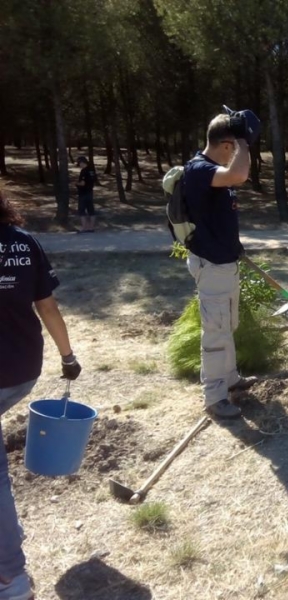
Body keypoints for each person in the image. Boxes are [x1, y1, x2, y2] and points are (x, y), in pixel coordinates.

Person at [0, 189, 82, 600]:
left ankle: (10, 579)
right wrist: (67, 356)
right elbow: (47, 307)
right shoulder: (22, 243)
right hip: (22, 371)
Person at [182, 109, 261, 419]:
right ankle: (215, 397)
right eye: (238, 146)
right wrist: (245, 141)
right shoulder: (200, 169)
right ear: (228, 144)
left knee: (227, 325)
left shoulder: (212, 170)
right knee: (215, 331)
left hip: (224, 263)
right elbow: (240, 175)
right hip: (212, 265)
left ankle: (230, 379)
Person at [75, 156, 97, 233]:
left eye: (79, 163)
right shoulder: (92, 170)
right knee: (91, 210)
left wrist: (76, 183)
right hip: (90, 192)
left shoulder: (84, 171)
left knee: (82, 210)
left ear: (82, 162)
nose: (79, 165)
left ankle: (84, 228)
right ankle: (91, 227)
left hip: (83, 193)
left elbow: (83, 183)